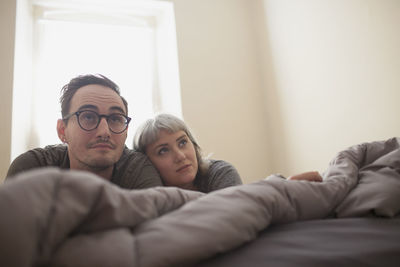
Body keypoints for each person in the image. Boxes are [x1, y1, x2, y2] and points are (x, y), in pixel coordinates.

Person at [6, 74, 163, 189]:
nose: (104, 132)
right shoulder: (32, 169)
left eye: (115, 119)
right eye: (88, 116)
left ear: (126, 131)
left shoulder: (138, 170)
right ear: (62, 131)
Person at [133, 113, 243, 192]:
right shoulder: (146, 195)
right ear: (148, 163)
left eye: (182, 143)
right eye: (163, 151)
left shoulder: (220, 173)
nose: (180, 156)